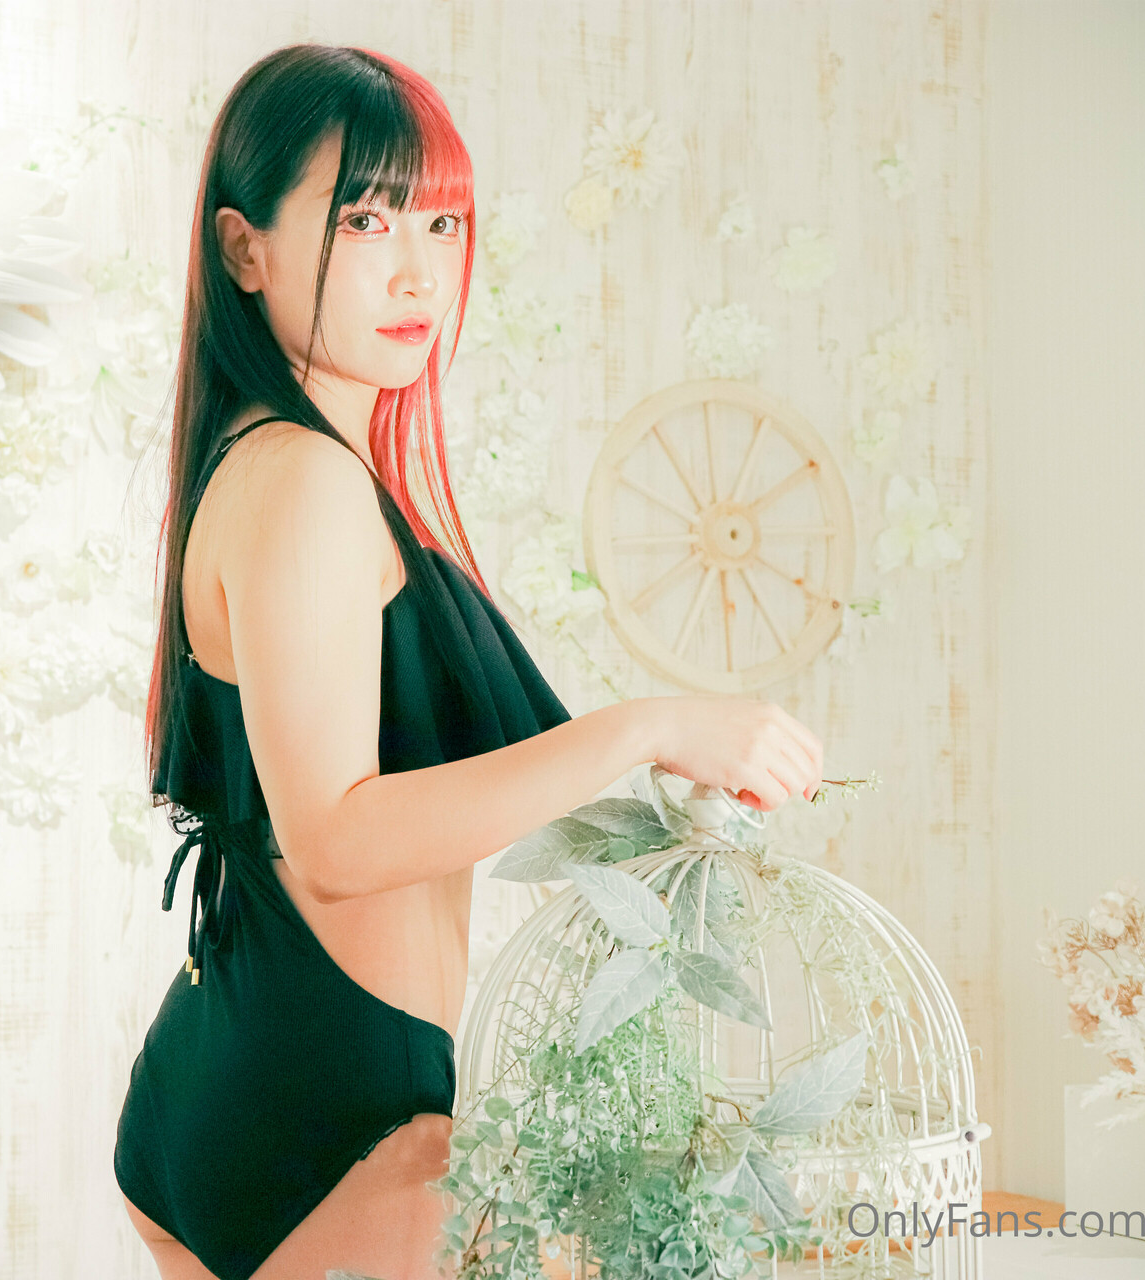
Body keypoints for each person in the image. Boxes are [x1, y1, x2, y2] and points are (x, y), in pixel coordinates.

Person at [113, 43, 824, 1280]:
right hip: (331, 1115)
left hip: (247, 1075)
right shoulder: (305, 480)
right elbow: (336, 839)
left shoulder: (279, 460)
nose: (418, 270)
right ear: (245, 249)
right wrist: (648, 724)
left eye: (441, 222)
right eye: (366, 218)